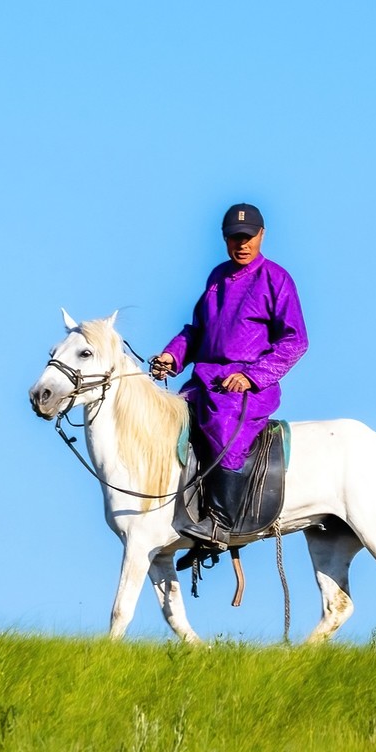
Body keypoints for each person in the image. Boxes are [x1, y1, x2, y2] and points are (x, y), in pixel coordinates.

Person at [151, 202, 308, 550]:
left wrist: (252, 376)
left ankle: (221, 523)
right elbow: (197, 330)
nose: (242, 244)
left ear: (262, 235)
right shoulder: (216, 277)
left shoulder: (276, 279)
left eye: (249, 237)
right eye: (235, 238)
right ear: (224, 239)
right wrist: (170, 355)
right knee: (162, 420)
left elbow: (295, 339)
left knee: (223, 426)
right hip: (203, 381)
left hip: (246, 388)